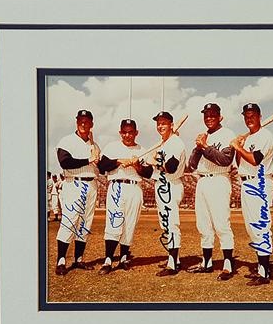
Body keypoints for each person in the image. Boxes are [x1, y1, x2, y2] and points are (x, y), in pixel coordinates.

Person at [187, 103, 236, 279]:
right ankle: (206, 262)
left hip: (219, 180)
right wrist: (198, 147)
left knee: (221, 223)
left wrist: (205, 147)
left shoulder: (228, 134)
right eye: (206, 115)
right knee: (204, 225)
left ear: (219, 116)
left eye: (213, 115)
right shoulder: (203, 136)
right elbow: (192, 164)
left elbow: (224, 160)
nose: (209, 118)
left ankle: (228, 265)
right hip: (203, 181)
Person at [230, 103, 273, 286]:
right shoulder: (248, 138)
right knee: (251, 228)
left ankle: (264, 273)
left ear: (259, 115)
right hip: (247, 182)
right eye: (246, 116)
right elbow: (240, 161)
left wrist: (236, 146)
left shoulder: (266, 135)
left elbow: (255, 160)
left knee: (260, 227)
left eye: (252, 115)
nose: (249, 119)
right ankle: (262, 267)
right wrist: (238, 146)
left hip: (260, 182)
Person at [138, 111, 187, 277]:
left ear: (172, 125)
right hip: (162, 184)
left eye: (164, 122)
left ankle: (173, 264)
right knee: (166, 224)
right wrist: (138, 165)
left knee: (171, 224)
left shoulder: (176, 143)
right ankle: (176, 259)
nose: (160, 126)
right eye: (158, 123)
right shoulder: (164, 144)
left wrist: (156, 161)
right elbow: (149, 171)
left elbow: (171, 166)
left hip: (171, 185)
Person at [54, 109, 101, 276]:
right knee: (69, 221)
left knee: (85, 223)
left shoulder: (94, 146)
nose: (83, 124)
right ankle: (60, 260)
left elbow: (100, 168)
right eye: (80, 121)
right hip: (74, 184)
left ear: (91, 124)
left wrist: (101, 161)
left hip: (91, 185)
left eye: (87, 121)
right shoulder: (67, 141)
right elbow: (65, 162)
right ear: (76, 122)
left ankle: (78, 259)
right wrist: (89, 160)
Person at [97, 119, 147, 274]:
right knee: (114, 221)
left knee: (130, 223)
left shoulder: (142, 149)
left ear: (136, 132)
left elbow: (148, 173)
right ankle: (108, 260)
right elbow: (101, 166)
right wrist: (119, 161)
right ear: (120, 132)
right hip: (117, 185)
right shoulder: (112, 147)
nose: (127, 135)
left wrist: (136, 165)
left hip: (134, 187)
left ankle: (124, 257)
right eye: (124, 132)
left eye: (130, 132)